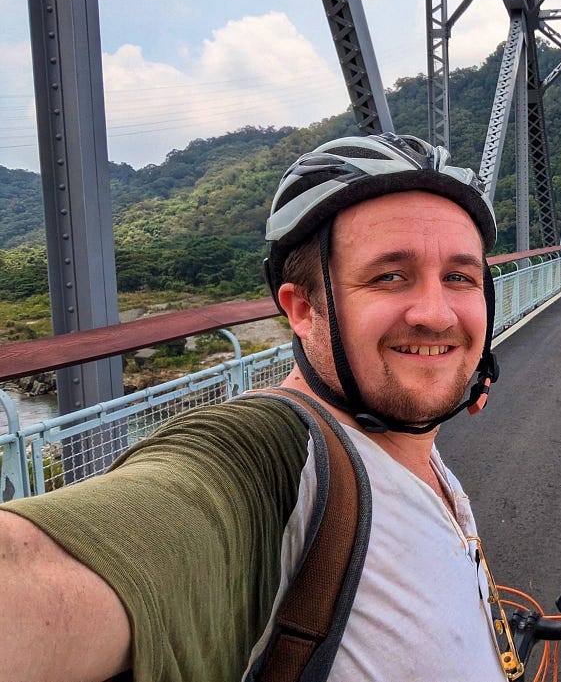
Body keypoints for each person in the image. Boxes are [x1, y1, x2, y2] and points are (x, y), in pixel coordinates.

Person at [0, 133, 511, 682]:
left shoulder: (416, 452)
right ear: (303, 310)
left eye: (460, 277)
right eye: (389, 276)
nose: (436, 314)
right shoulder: (274, 458)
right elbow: (28, 572)